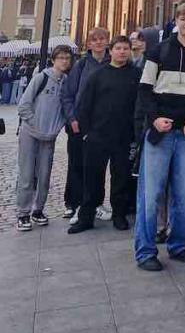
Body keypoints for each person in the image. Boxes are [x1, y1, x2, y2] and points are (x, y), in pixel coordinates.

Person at [133, 0, 185, 270]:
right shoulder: (158, 51)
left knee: (182, 194)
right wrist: (155, 119)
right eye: (183, 17)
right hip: (161, 132)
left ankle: (178, 245)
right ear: (177, 21)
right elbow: (144, 91)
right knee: (151, 194)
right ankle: (146, 252)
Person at [68, 36, 139, 235]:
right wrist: (86, 132)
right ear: (111, 50)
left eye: (126, 48)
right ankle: (86, 217)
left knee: (121, 178)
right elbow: (84, 105)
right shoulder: (99, 75)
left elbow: (139, 105)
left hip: (123, 137)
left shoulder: (136, 74)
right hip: (97, 135)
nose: (123, 52)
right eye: (119, 48)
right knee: (92, 178)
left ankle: (119, 214)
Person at [16, 46, 72, 231]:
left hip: (49, 137)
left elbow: (65, 109)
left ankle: (38, 209)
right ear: (54, 60)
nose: (64, 61)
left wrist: (55, 128)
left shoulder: (66, 82)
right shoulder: (42, 77)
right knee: (26, 174)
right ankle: (23, 213)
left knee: (44, 174)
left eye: (67, 58)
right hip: (30, 134)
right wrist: (35, 124)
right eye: (61, 57)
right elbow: (24, 104)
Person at [61, 26, 110, 221]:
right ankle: (73, 203)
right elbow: (68, 96)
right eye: (94, 39)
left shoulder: (112, 63)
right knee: (76, 164)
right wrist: (72, 118)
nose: (98, 42)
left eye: (102, 39)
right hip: (79, 124)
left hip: (101, 125)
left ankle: (95, 203)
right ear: (89, 44)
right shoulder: (81, 65)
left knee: (97, 167)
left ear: (107, 41)